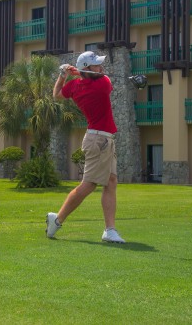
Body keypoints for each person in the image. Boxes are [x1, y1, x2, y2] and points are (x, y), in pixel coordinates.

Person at [46, 51, 125, 243]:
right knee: (89, 185)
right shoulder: (102, 85)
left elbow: (56, 94)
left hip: (101, 139)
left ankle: (109, 229)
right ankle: (57, 220)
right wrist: (76, 73)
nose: (101, 68)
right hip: (99, 141)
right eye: (96, 65)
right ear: (87, 69)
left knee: (111, 181)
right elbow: (105, 80)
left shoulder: (75, 86)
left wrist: (63, 75)